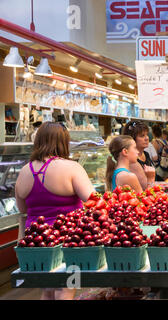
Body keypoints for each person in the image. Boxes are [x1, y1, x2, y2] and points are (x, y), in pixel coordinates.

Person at [15, 122, 95, 300]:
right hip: (68, 240)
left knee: (48, 289)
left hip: (36, 241)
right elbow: (93, 200)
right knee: (67, 288)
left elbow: (22, 209)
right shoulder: (71, 167)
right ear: (64, 142)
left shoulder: (24, 171)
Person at [122, 121, 155, 189]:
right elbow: (145, 188)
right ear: (132, 139)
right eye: (142, 136)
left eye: (147, 135)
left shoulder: (146, 154)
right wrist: (151, 177)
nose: (147, 138)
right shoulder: (133, 161)